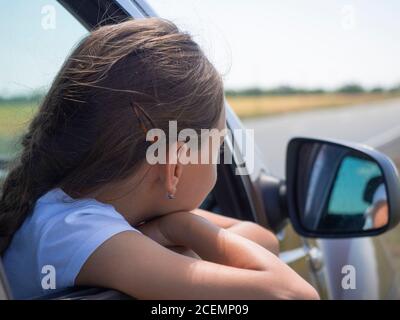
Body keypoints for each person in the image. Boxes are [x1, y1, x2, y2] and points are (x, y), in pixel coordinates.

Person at [0, 18, 319, 300]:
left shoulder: (68, 209)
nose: (216, 166)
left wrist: (178, 226)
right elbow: (293, 293)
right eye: (215, 149)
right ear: (175, 167)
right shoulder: (79, 231)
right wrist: (178, 227)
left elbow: (265, 241)